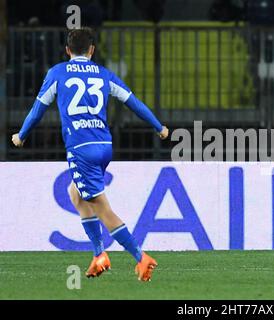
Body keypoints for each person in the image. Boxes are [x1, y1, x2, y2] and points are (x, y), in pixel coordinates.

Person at [11, 28, 169, 281]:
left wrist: (21, 135)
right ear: (92, 50)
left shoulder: (58, 73)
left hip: (81, 149)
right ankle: (99, 255)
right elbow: (134, 102)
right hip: (104, 146)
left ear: (67, 50)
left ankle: (141, 258)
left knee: (102, 207)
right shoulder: (104, 74)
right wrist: (159, 127)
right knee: (76, 194)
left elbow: (38, 109)